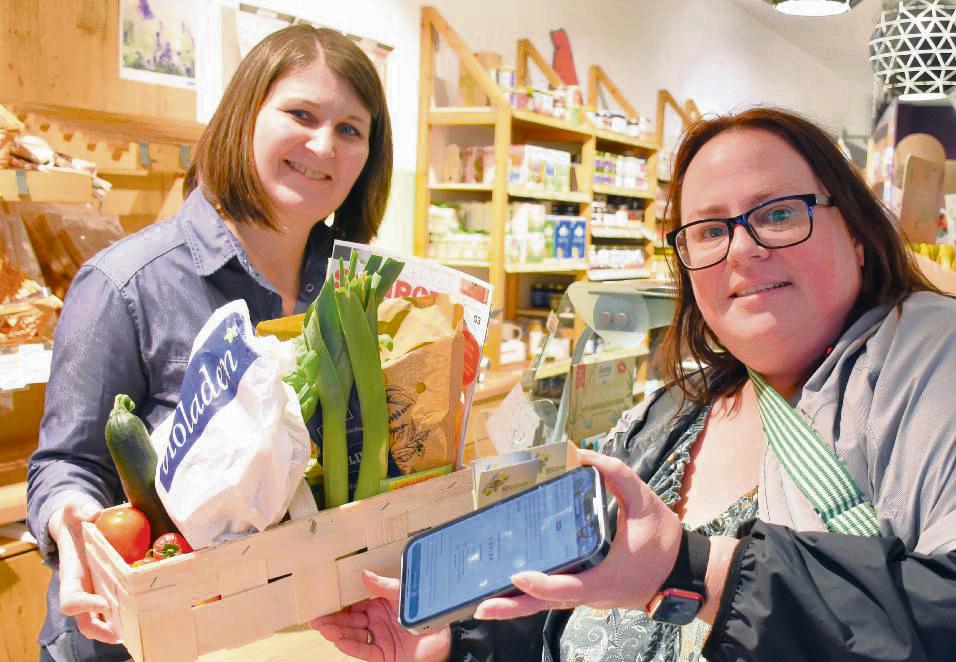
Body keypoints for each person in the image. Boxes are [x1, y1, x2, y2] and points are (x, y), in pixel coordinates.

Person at [312, 107, 956, 661]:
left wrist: (695, 571)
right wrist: (453, 645)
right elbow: (565, 603)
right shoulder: (669, 416)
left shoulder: (928, 369)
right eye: (708, 230)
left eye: (780, 214)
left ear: (860, 235)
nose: (741, 250)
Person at [26, 24, 392, 662]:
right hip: (140, 641)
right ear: (245, 115)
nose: (322, 145)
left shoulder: (356, 291)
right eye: (301, 114)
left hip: (302, 639)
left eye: (350, 130)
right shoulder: (128, 283)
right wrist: (72, 518)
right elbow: (66, 464)